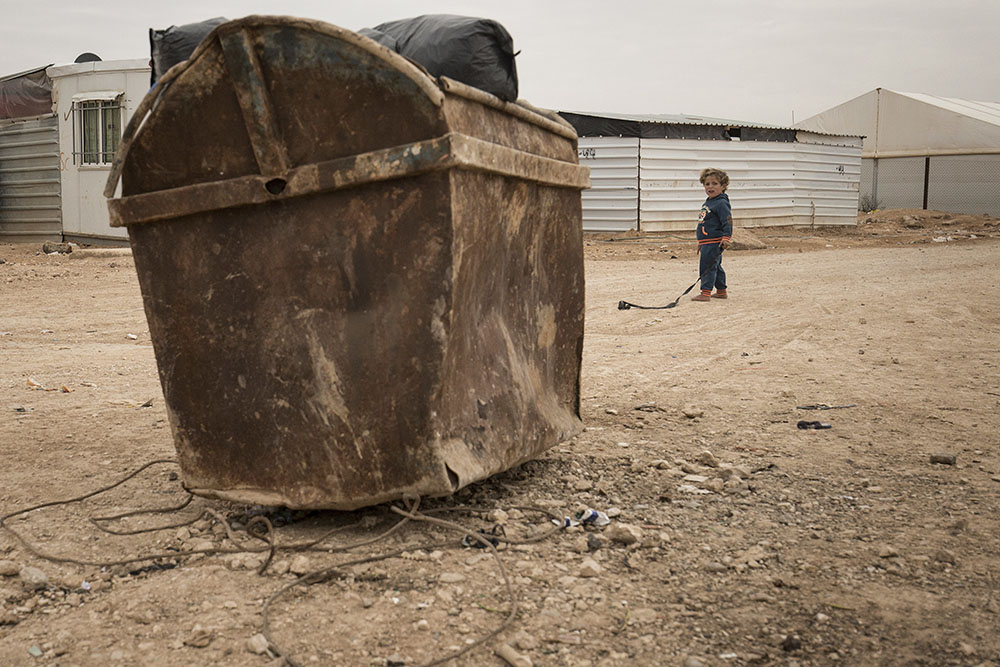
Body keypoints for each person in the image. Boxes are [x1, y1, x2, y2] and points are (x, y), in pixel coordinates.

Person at [691, 168, 733, 302]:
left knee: (707, 266)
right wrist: (701, 242)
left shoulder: (721, 203)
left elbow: (727, 221)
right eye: (707, 184)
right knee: (715, 266)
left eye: (715, 183)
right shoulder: (709, 202)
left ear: (723, 186)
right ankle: (721, 291)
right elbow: (705, 223)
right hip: (707, 242)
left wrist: (726, 237)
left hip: (714, 241)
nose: (710, 187)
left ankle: (705, 292)